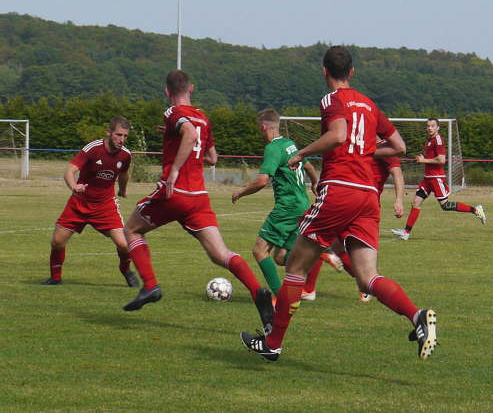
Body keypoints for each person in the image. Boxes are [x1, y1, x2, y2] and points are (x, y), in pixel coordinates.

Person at [240, 45, 437, 361]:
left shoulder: (332, 100)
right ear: (353, 72)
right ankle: (417, 316)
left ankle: (273, 343)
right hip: (367, 197)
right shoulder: (370, 105)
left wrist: (301, 153)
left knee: (294, 267)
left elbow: (338, 135)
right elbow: (398, 145)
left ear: (324, 71)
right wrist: (367, 152)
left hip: (340, 189)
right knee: (367, 277)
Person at [122, 70, 273, 332]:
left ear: (167, 91)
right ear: (191, 88)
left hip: (175, 192)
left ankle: (150, 286)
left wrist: (176, 170)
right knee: (220, 253)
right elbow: (211, 157)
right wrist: (176, 141)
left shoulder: (172, 113)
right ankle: (257, 291)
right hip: (198, 198)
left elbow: (189, 135)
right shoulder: (203, 117)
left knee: (132, 229)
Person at [231, 108, 339, 300]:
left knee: (259, 250)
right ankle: (319, 255)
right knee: (281, 258)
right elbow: (308, 165)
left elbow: (262, 180)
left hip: (287, 208)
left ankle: (282, 299)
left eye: (259, 128)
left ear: (264, 127)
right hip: (302, 205)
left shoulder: (273, 148)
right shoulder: (289, 144)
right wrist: (314, 182)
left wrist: (241, 192)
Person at [42, 116, 138, 287]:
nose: (122, 140)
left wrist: (122, 189)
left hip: (105, 206)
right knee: (57, 241)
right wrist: (74, 186)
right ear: (108, 132)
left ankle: (126, 270)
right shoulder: (93, 149)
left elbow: (123, 173)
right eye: (118, 135)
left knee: (124, 245)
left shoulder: (125, 155)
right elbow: (69, 171)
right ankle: (55, 278)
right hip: (79, 203)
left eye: (125, 136)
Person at [391, 118, 486, 240]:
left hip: (436, 178)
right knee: (416, 202)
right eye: (428, 126)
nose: (430, 128)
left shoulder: (438, 140)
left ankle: (475, 210)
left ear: (438, 128)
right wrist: (423, 157)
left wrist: (423, 160)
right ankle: (406, 232)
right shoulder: (428, 141)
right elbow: (431, 157)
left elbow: (441, 160)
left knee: (445, 206)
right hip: (427, 179)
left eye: (432, 126)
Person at [337, 144, 406, 302]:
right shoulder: (359, 143)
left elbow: (397, 173)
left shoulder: (384, 148)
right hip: (348, 200)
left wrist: (399, 200)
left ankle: (367, 283)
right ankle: (366, 283)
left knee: (329, 243)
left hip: (365, 206)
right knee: (336, 245)